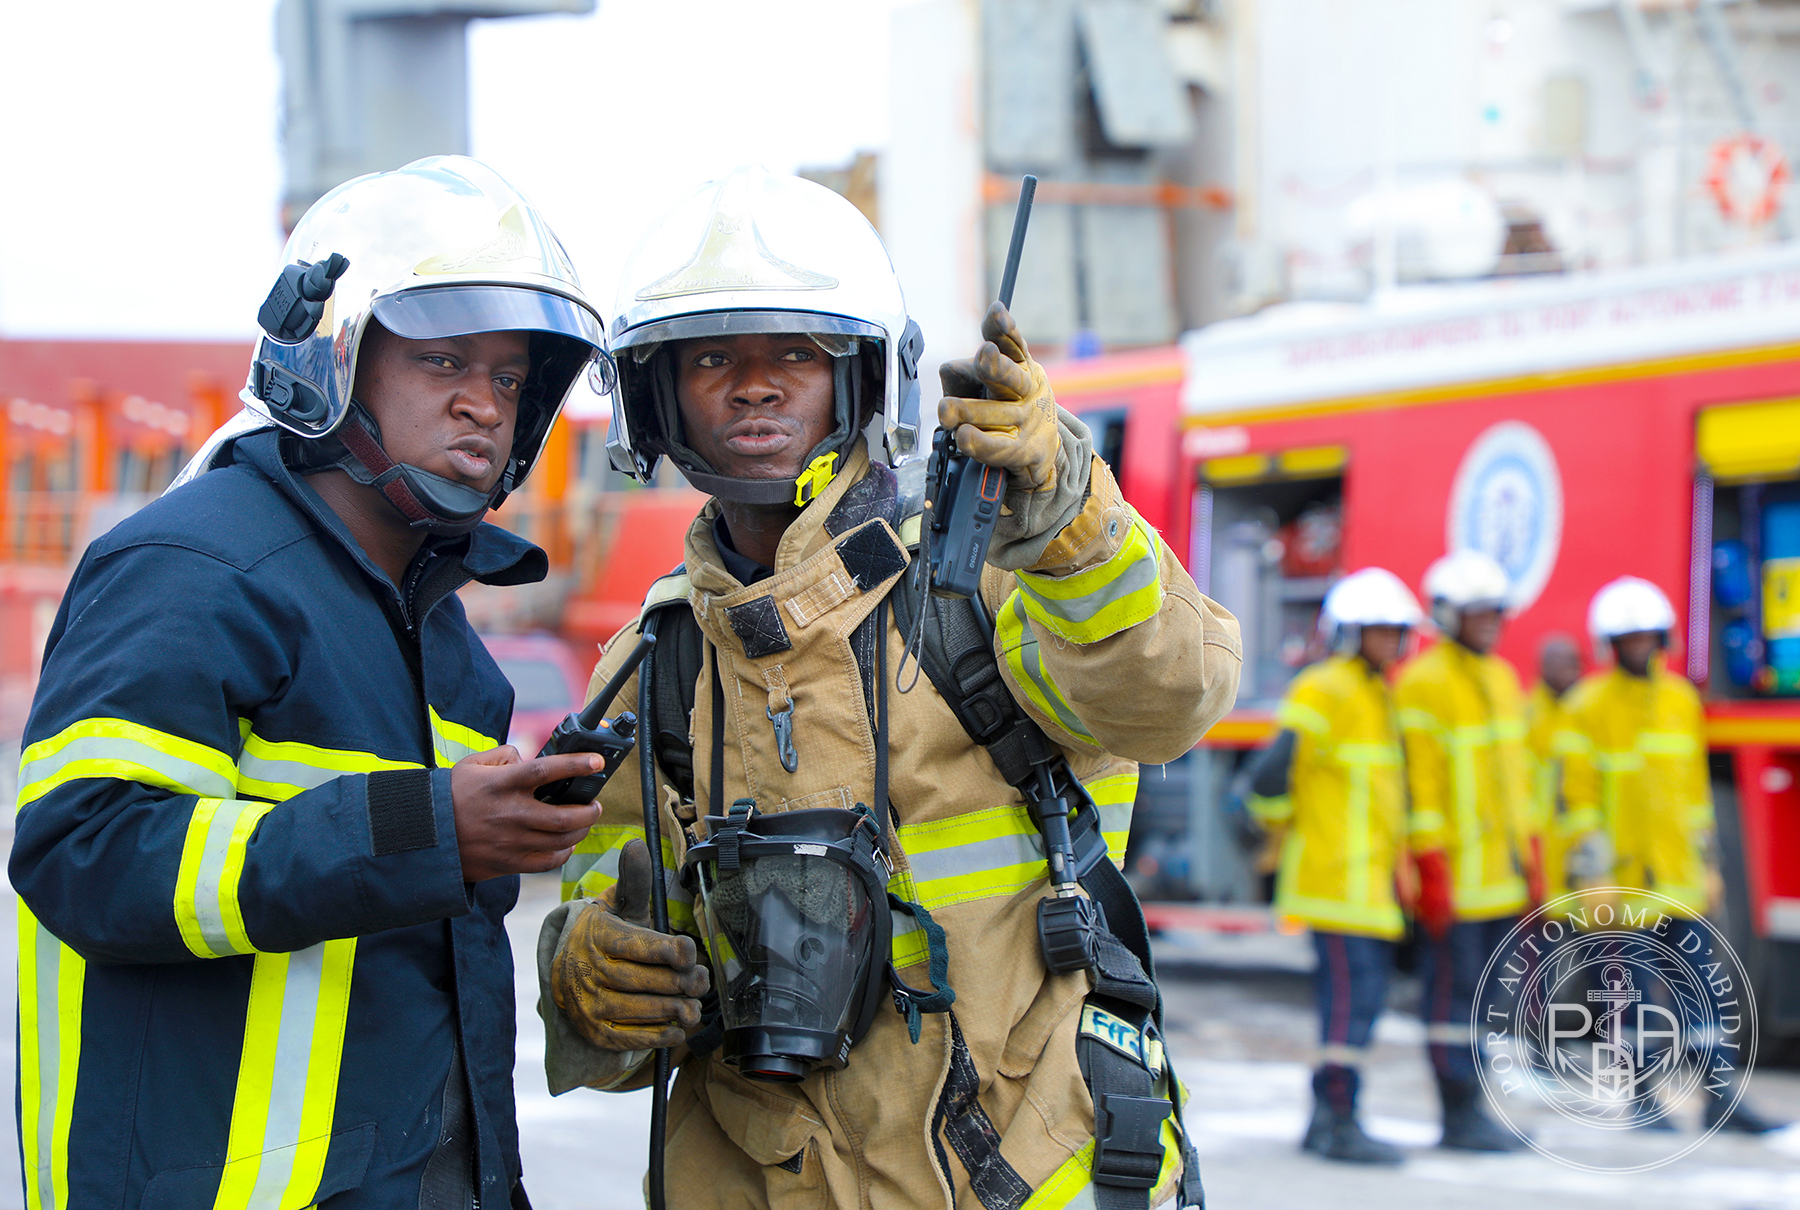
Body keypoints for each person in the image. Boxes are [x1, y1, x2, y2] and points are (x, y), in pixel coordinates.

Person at [536, 166, 1242, 1208]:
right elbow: (622, 1005)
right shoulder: (656, 667)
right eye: (714, 356)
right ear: (656, 395)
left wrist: (1071, 519)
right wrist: (585, 976)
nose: (755, 384)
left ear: (864, 379)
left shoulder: (983, 588)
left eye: (796, 353)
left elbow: (1174, 698)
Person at [10, 156, 608, 1210]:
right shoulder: (193, 568)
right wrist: (428, 828)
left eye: (511, 380)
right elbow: (85, 850)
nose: (484, 405)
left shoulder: (445, 642)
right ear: (330, 354)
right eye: (443, 360)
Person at [1559, 576, 1780, 1134]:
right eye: (1628, 640)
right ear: (1610, 645)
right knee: (1631, 998)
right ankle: (1642, 1098)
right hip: (1624, 882)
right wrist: (1594, 872)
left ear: (1662, 639)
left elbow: (1695, 794)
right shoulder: (1587, 706)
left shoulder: (1681, 700)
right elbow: (1576, 799)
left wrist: (1709, 863)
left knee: (1704, 992)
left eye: (1646, 638)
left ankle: (1720, 1099)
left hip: (1680, 879)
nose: (1639, 647)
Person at [1246, 568, 1423, 1165]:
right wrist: (1281, 832)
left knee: (1362, 1006)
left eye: (1397, 631)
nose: (1392, 642)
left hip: (1367, 888)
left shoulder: (1378, 695)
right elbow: (1270, 776)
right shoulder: (1324, 688)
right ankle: (1336, 1122)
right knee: (1350, 1005)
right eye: (1380, 630)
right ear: (1349, 632)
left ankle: (1332, 1120)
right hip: (1332, 884)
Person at [1393, 550, 1535, 1151]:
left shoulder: (1501, 678)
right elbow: (1419, 785)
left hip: (1500, 879)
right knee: (1452, 1000)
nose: (1491, 626)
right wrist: (1430, 863)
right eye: (1479, 615)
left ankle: (1476, 1106)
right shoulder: (1422, 683)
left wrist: (1531, 855)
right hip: (1455, 881)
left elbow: (1518, 779)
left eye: (1496, 614)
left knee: (1485, 1001)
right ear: (1449, 617)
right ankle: (1458, 1114)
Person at [1525, 634, 1583, 913]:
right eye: (1559, 664)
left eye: (1573, 664)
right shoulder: (1529, 716)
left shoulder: (1585, 711)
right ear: (1543, 668)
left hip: (1579, 839)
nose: (1567, 671)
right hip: (1541, 840)